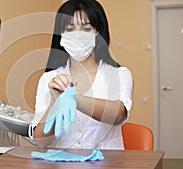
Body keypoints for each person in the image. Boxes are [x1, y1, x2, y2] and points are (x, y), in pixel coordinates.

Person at [29, 0, 133, 150]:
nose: (77, 36)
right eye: (70, 29)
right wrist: (54, 103)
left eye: (86, 28)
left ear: (98, 33)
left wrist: (73, 98)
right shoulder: (50, 79)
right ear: (61, 36)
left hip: (108, 163)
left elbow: (118, 114)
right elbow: (41, 141)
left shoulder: (118, 74)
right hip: (64, 162)